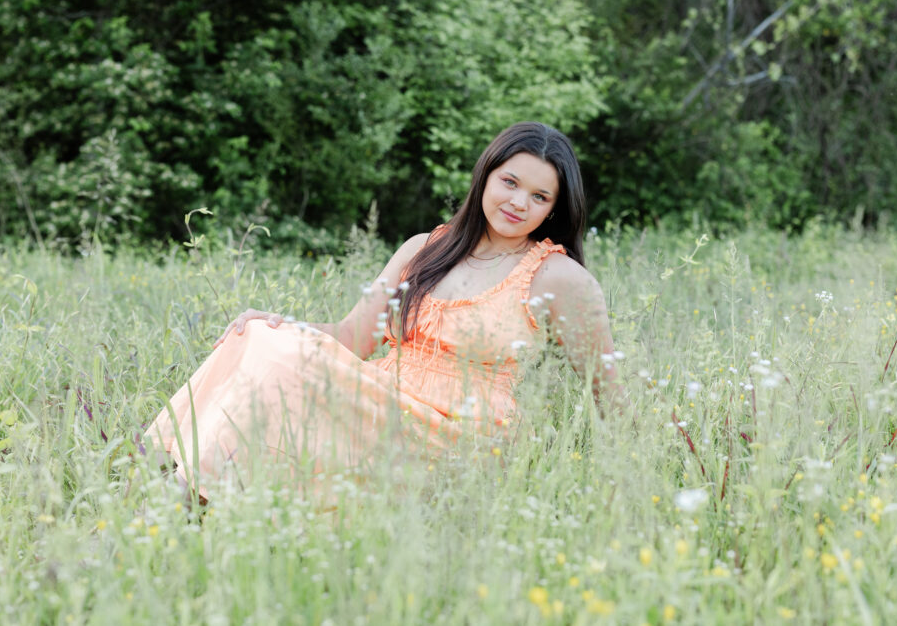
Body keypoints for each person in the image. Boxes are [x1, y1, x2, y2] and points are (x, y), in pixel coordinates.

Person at [145, 122, 619, 501]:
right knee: (261, 341)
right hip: (382, 400)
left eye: (539, 197)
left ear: (555, 208)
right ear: (485, 177)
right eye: (509, 182)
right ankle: (179, 494)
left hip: (462, 434)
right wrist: (275, 323)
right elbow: (354, 337)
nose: (518, 203)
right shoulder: (425, 248)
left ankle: (172, 509)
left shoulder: (558, 277)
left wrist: (631, 466)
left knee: (276, 373)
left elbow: (606, 390)